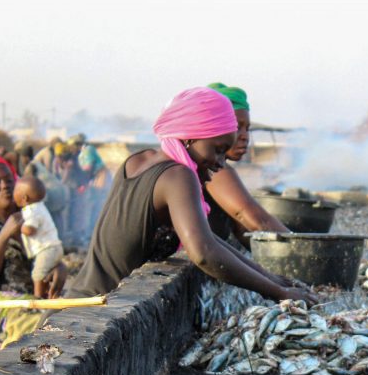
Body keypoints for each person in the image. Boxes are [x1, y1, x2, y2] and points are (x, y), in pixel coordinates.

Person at [65, 87, 312, 304]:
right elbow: (203, 252)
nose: (219, 163)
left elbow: (212, 241)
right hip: (94, 310)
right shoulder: (178, 176)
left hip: (76, 300)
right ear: (192, 136)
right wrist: (278, 293)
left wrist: (273, 279)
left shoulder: (138, 161)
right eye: (217, 150)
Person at [0, 155, 67, 375]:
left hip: (31, 301)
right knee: (43, 332)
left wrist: (59, 268)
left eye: (9, 180)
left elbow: (47, 253)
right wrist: (4, 236)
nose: (5, 186)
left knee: (69, 323)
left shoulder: (31, 220)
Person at [202, 82, 290, 245]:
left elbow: (243, 229)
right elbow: (256, 220)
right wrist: (305, 246)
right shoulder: (213, 169)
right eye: (237, 127)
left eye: (247, 128)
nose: (245, 136)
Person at [14, 176, 64, 299]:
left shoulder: (32, 211)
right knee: (45, 273)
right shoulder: (40, 206)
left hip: (47, 249)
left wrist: (19, 227)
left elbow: (30, 229)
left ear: (24, 198)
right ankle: (48, 295)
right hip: (53, 247)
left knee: (37, 275)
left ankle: (37, 298)